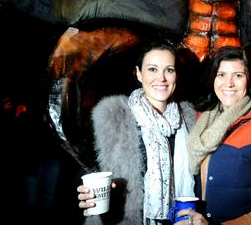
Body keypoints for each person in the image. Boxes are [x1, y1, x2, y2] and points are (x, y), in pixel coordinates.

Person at [77, 38, 196, 224]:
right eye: (152, 69)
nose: (162, 78)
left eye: (169, 70)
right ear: (139, 73)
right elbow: (92, 169)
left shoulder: (189, 120)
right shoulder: (113, 118)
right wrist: (89, 196)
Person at [180, 46, 251, 225]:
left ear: (250, 80)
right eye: (221, 74)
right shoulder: (201, 122)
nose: (228, 83)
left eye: (238, 75)